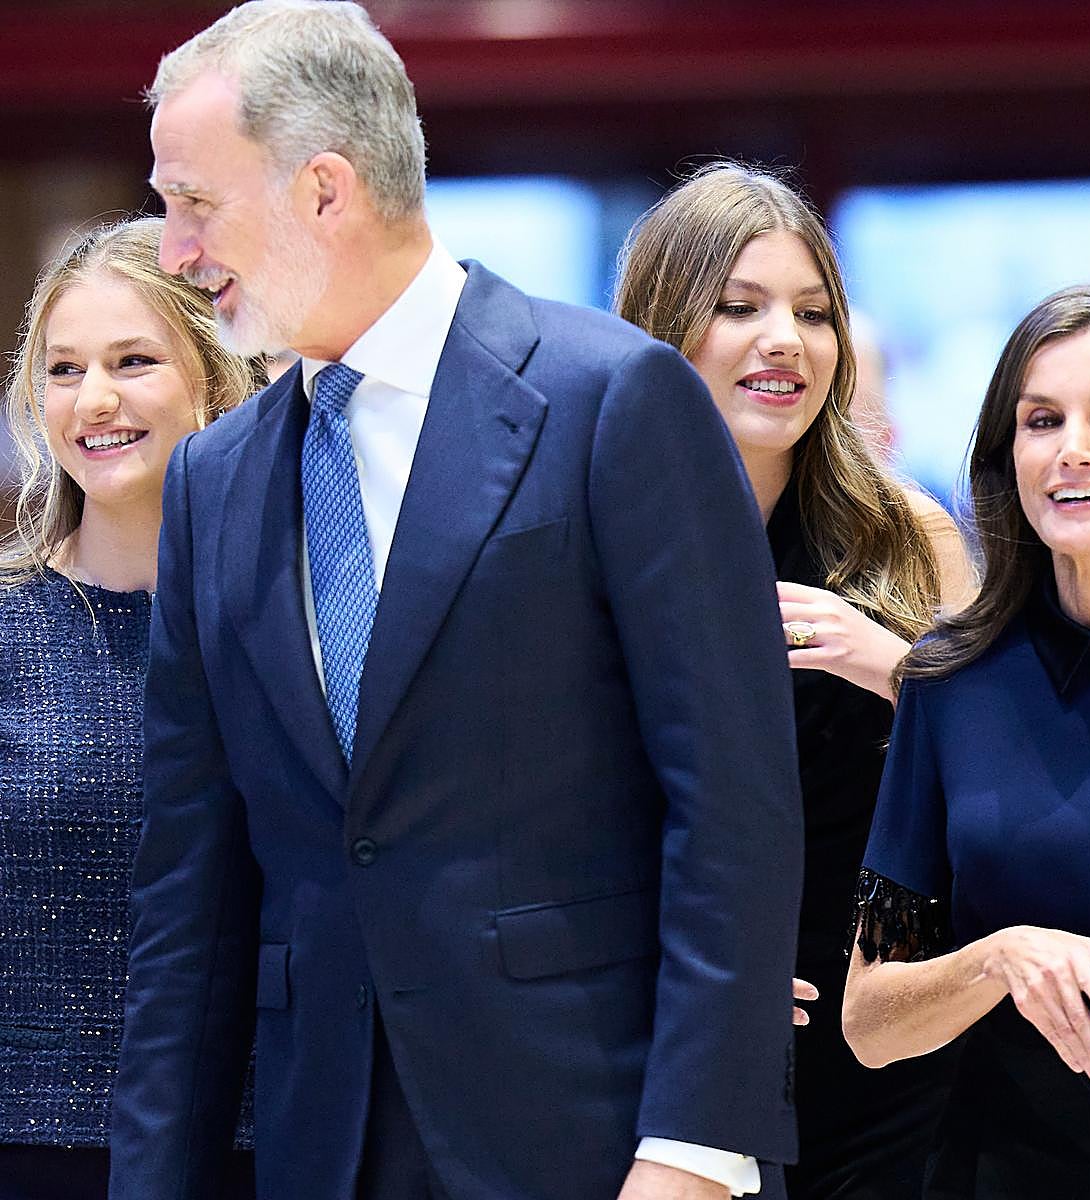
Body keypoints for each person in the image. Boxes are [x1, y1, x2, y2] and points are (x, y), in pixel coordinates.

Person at [108, 6, 804, 1200]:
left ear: (326, 190)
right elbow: (191, 899)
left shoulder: (611, 401)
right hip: (323, 1146)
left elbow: (732, 802)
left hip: (598, 1144)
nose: (173, 250)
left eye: (194, 203)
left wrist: (695, 1149)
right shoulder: (213, 485)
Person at [615, 163, 975, 1199]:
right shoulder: (597, 539)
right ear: (663, 325)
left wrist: (895, 669)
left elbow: (999, 784)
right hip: (677, 1034)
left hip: (889, 1034)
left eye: (814, 313)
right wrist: (703, 982)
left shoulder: (908, 535)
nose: (786, 339)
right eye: (739, 307)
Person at [843, 285, 1090, 1197]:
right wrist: (1000, 958)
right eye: (1042, 419)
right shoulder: (951, 685)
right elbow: (871, 1020)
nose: (1072, 446)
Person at [0, 216, 257, 1200]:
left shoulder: (304, 626)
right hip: (30, 1149)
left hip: (264, 1141)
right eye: (63, 371)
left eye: (133, 360)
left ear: (216, 374)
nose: (94, 400)